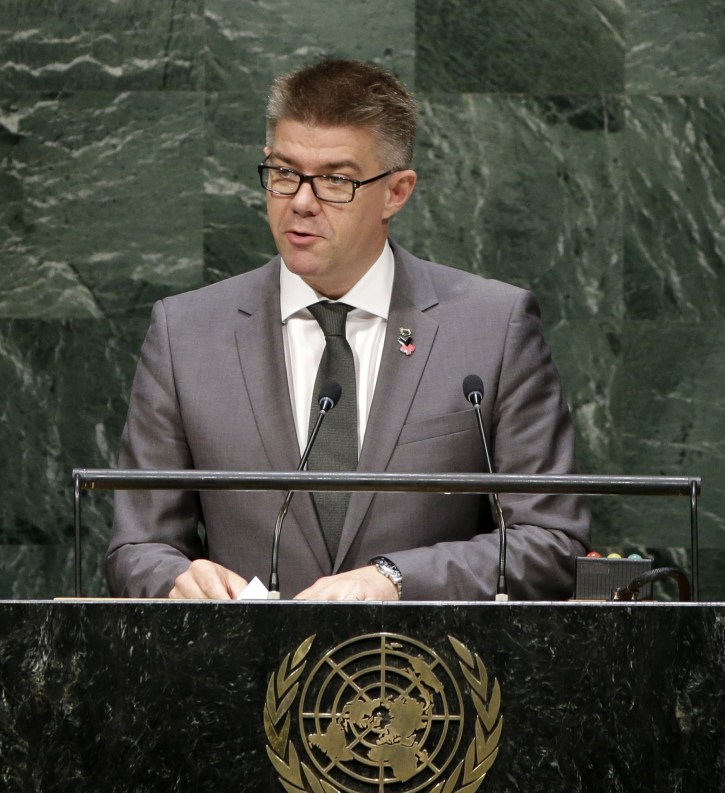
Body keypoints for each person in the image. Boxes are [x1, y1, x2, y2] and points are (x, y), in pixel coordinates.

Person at [106, 58, 590, 602]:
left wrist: (395, 579)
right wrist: (174, 578)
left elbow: (551, 540)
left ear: (397, 192)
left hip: (432, 676)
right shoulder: (185, 334)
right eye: (284, 173)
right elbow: (137, 546)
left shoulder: (492, 328)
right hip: (241, 677)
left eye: (336, 180)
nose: (302, 202)